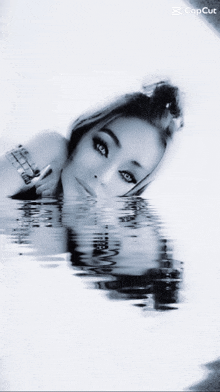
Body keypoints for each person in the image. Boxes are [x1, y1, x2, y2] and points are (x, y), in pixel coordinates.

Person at [0, 80, 183, 200]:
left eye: (127, 176)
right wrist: (52, 146)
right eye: (101, 148)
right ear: (82, 135)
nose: (103, 176)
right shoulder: (50, 150)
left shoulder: (105, 254)